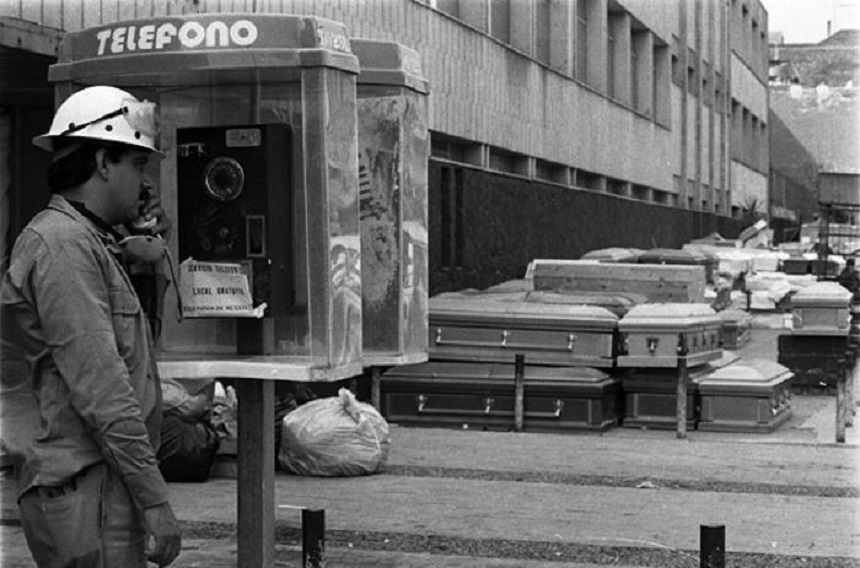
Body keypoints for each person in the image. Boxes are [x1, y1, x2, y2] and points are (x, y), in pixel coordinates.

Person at [0, 85, 182, 567]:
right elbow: (103, 389)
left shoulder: (95, 243)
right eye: (138, 164)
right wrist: (155, 499)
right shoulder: (62, 247)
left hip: (103, 481)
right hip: (87, 488)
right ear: (103, 162)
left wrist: (150, 265)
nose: (146, 183)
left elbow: (136, 359)